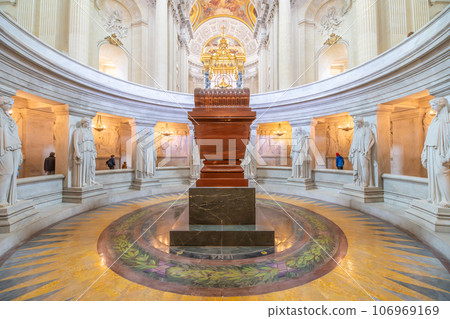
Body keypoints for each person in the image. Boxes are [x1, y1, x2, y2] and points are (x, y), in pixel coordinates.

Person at [421, 97, 450, 207]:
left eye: (434, 104)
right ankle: (435, 197)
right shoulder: (435, 120)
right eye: (431, 105)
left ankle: (447, 200)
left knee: (441, 173)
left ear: (442, 105)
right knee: (432, 174)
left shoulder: (447, 119)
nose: (432, 107)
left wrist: (448, 155)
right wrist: (425, 152)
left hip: (440, 150)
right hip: (431, 150)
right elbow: (429, 137)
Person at [0, 96, 23, 206]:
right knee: (6, 172)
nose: (10, 106)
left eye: (11, 104)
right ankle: (1, 199)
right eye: (8, 104)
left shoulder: (9, 118)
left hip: (14, 148)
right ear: (2, 103)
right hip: (4, 148)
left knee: (13, 173)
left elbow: (15, 135)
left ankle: (10, 198)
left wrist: (20, 151)